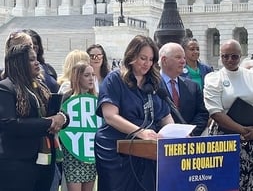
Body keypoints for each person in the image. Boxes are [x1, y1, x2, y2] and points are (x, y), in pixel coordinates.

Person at [94, 35, 174, 191]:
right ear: (131, 56)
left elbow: (166, 115)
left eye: (151, 59)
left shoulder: (156, 81)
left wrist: (175, 133)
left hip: (148, 149)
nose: (147, 63)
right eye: (143, 58)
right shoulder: (114, 79)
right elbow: (110, 116)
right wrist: (141, 132)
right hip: (116, 149)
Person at [0, 44, 69, 191]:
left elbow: (58, 113)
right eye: (31, 60)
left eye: (36, 59)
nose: (37, 62)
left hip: (45, 159)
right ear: (19, 63)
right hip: (17, 163)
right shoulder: (6, 88)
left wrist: (62, 117)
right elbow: (10, 124)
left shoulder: (41, 87)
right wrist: (48, 122)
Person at [203, 39, 253, 190]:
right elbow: (215, 112)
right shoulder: (213, 78)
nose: (229, 60)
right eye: (225, 56)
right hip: (226, 138)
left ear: (241, 56)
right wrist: (242, 131)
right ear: (221, 57)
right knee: (227, 182)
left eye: (234, 56)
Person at [158, 42, 209, 136]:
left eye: (184, 58)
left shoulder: (193, 86)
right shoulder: (152, 85)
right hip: (160, 143)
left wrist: (188, 133)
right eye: (178, 57)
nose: (183, 61)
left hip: (188, 142)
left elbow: (202, 114)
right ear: (164, 60)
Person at [61, 61, 97, 191]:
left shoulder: (97, 99)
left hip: (90, 152)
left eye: (93, 75)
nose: (91, 78)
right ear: (77, 77)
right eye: (87, 75)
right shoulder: (66, 98)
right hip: (72, 153)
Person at [23, 29, 59, 93]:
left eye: (35, 43)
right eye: (30, 44)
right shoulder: (13, 72)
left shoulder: (49, 69)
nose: (33, 46)